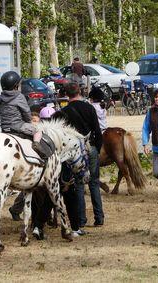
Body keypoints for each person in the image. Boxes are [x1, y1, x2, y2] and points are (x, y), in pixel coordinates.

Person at [61, 82, 104, 227]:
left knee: (79, 185)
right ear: (79, 91)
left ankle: (81, 220)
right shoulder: (89, 108)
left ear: (66, 94)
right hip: (90, 147)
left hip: (74, 152)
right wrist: (96, 149)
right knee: (94, 183)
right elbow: (97, 131)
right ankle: (99, 217)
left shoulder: (65, 111)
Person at [0, 71, 47, 158]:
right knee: (38, 130)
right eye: (19, 84)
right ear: (15, 86)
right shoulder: (19, 96)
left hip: (4, 128)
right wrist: (29, 121)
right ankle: (36, 144)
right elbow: (26, 112)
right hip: (18, 127)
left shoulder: (0, 98)